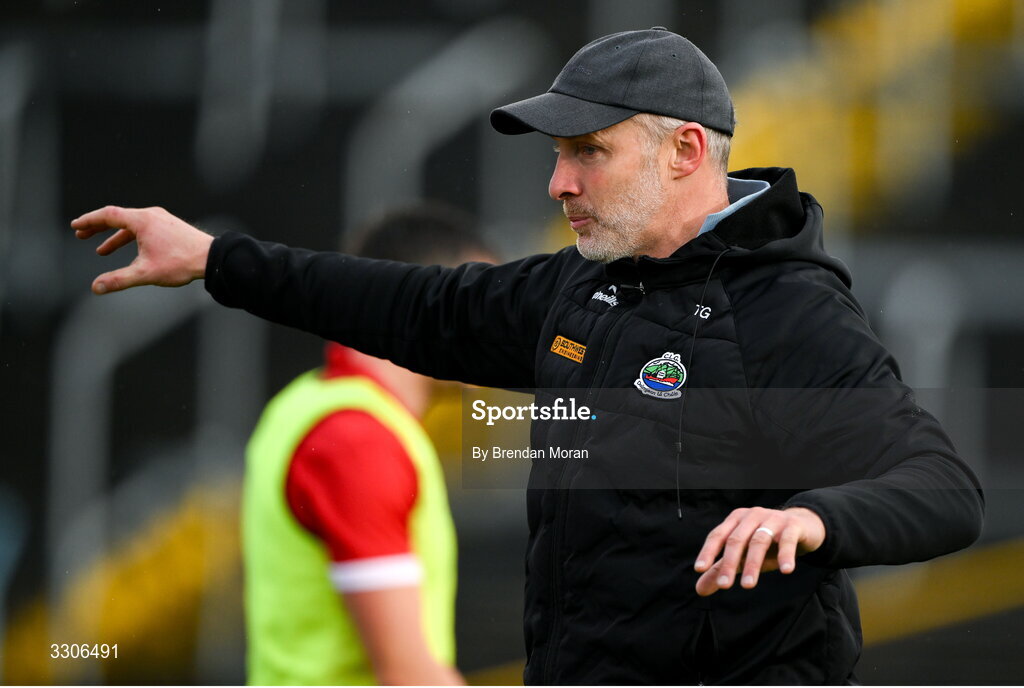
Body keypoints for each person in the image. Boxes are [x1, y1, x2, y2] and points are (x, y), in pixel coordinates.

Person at [73, 28, 983, 685]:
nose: (559, 184)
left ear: (686, 152)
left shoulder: (790, 314)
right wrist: (214, 260)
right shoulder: (579, 288)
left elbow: (943, 487)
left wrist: (814, 520)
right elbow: (409, 302)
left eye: (589, 152)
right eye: (558, 155)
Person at [243, 204, 493, 685]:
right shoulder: (358, 439)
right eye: (480, 298)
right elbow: (407, 674)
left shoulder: (312, 406)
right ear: (428, 299)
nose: (499, 324)